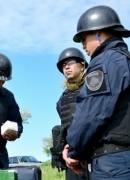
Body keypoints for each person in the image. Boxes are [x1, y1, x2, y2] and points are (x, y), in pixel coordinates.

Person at [62, 5, 130, 179]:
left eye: (84, 38)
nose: (83, 45)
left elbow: (92, 114)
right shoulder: (125, 60)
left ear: (98, 32)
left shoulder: (105, 62)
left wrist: (74, 150)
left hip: (113, 162)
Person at [51, 47, 91, 180]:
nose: (67, 67)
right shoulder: (62, 99)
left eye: (71, 62)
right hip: (72, 158)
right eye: (63, 65)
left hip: (93, 155)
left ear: (82, 65)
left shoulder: (93, 89)